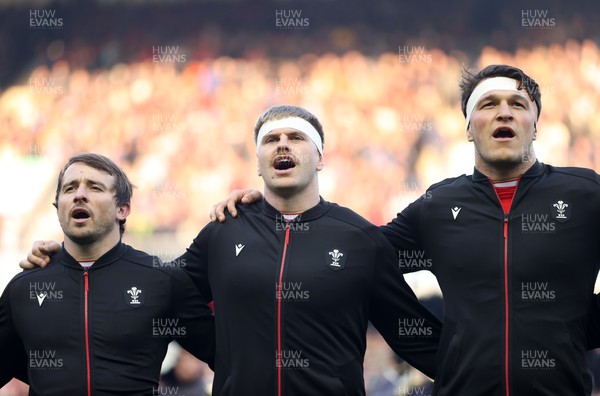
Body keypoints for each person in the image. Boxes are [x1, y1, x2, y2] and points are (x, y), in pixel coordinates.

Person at [209, 65, 600, 395]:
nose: (504, 113)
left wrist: (572, 335)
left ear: (535, 124)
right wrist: (271, 208)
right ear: (468, 127)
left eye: (518, 104)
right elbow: (351, 254)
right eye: (488, 105)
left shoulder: (585, 194)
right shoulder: (438, 206)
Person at [21, 106, 443, 396]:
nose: (282, 145)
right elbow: (148, 286)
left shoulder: (359, 238)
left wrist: (491, 378)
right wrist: (69, 259)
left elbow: (414, 334)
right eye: (270, 139)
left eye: (296, 137)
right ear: (258, 162)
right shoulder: (223, 232)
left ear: (319, 157)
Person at [1, 153, 215, 395]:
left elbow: (232, 357)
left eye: (95, 187)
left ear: (122, 210)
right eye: (70, 188)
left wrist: (252, 213)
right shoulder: (23, 287)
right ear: (57, 206)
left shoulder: (161, 280)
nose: (79, 194)